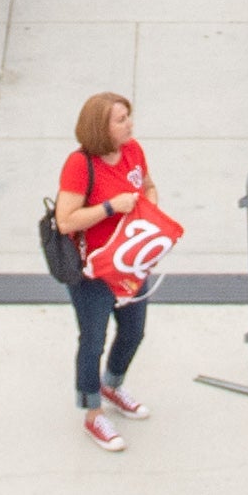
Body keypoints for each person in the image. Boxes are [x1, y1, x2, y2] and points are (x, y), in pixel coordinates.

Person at [48, 92, 165, 447]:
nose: (129, 124)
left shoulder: (133, 151)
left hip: (129, 262)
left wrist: (149, 217)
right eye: (120, 119)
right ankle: (92, 412)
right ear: (101, 126)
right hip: (92, 271)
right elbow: (66, 221)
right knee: (93, 339)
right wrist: (112, 207)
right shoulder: (79, 165)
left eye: (129, 116)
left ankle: (111, 385)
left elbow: (149, 187)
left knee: (134, 330)